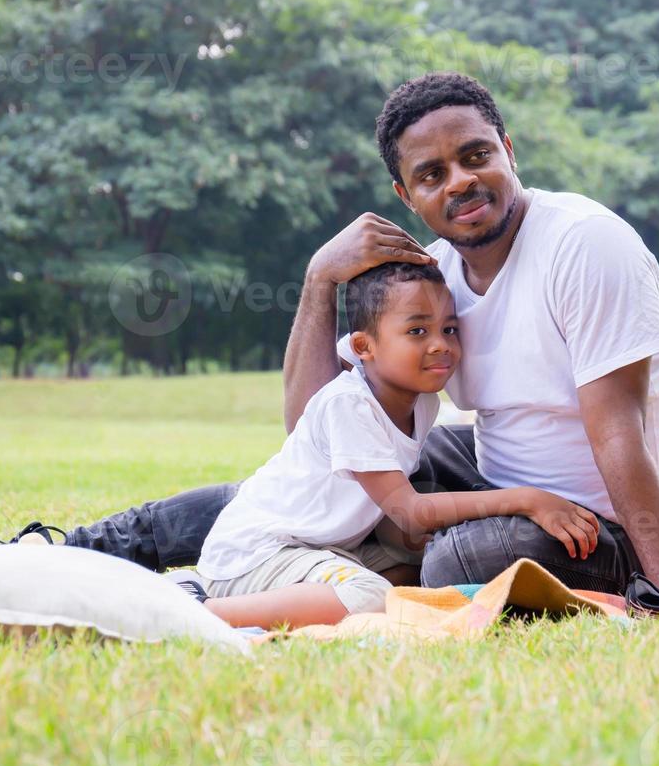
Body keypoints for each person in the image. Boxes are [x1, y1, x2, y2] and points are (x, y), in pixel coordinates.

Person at [11, 72, 659, 593]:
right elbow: (318, 427)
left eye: (476, 155)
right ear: (407, 195)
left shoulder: (584, 244)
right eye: (432, 174)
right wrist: (319, 282)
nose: (461, 181)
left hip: (598, 526)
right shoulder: (436, 275)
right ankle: (64, 556)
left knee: (458, 559)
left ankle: (219, 593)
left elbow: (618, 431)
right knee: (308, 489)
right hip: (497, 473)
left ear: (509, 151)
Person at [190, 261, 597, 629]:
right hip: (256, 555)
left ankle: (307, 601)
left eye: (449, 329)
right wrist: (528, 499)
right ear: (364, 347)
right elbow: (411, 511)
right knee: (367, 596)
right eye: (417, 331)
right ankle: (200, 613)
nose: (440, 344)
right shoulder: (349, 404)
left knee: (417, 565)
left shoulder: (421, 401)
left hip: (324, 547)